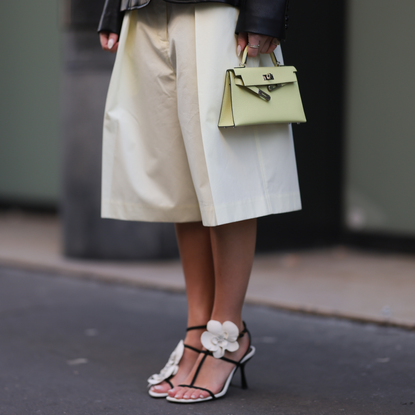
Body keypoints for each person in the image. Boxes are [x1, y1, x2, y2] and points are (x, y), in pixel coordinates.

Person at [98, 0, 300, 404]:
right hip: (145, 9)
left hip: (218, 12)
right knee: (181, 178)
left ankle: (228, 331)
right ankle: (197, 329)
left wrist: (263, 13)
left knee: (228, 173)